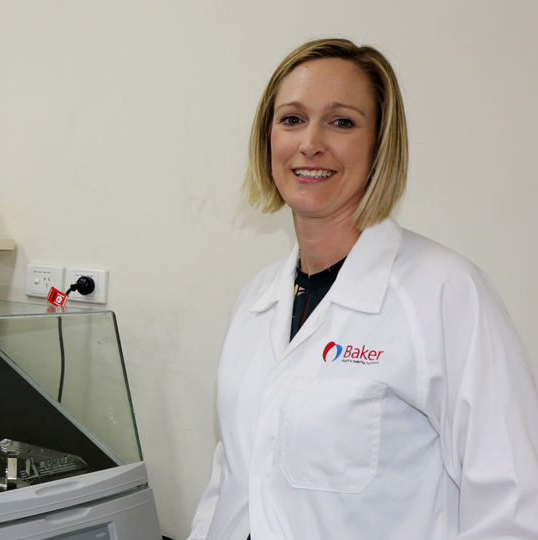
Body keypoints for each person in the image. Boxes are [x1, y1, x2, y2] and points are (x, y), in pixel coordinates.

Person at [188, 38, 538, 540]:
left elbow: (513, 509)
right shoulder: (256, 301)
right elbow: (231, 484)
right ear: (267, 141)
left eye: (342, 121)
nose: (310, 142)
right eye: (291, 119)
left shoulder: (445, 292)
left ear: (379, 147)